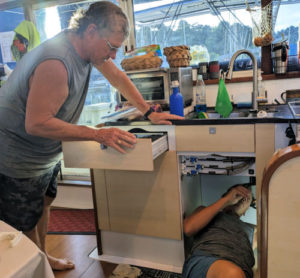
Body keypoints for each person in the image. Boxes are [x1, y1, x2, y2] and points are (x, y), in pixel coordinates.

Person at [0, 1, 183, 271]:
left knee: (44, 203)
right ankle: (36, 270)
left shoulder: (89, 51)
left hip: (44, 153)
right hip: (15, 156)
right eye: (111, 47)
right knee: (22, 225)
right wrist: (97, 135)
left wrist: (148, 112)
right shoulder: (57, 62)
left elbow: (118, 78)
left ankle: (42, 258)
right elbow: (36, 124)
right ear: (91, 31)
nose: (113, 55)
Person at [182, 184, 255, 278]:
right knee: (232, 273)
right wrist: (226, 201)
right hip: (208, 261)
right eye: (238, 194)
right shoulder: (206, 212)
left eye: (247, 198)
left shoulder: (251, 228)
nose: (243, 197)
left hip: (243, 271)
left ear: (246, 211)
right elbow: (188, 228)